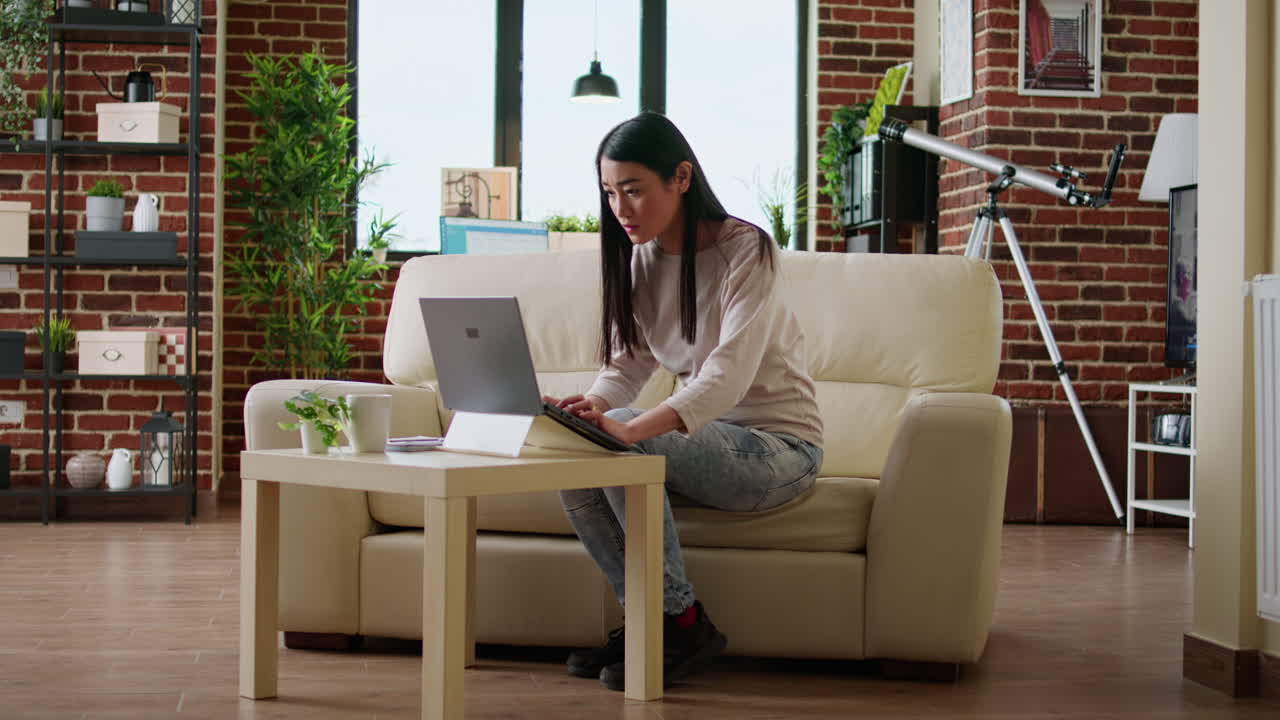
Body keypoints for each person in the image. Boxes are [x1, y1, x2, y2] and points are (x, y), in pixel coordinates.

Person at [546, 112, 824, 692]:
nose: (620, 208)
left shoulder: (749, 250)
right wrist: (592, 414)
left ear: (681, 177)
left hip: (779, 452)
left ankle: (684, 622)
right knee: (580, 458)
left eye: (634, 190)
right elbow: (628, 364)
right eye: (609, 192)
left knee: (619, 434)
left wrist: (631, 428)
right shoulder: (642, 258)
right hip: (703, 446)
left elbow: (728, 372)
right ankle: (654, 620)